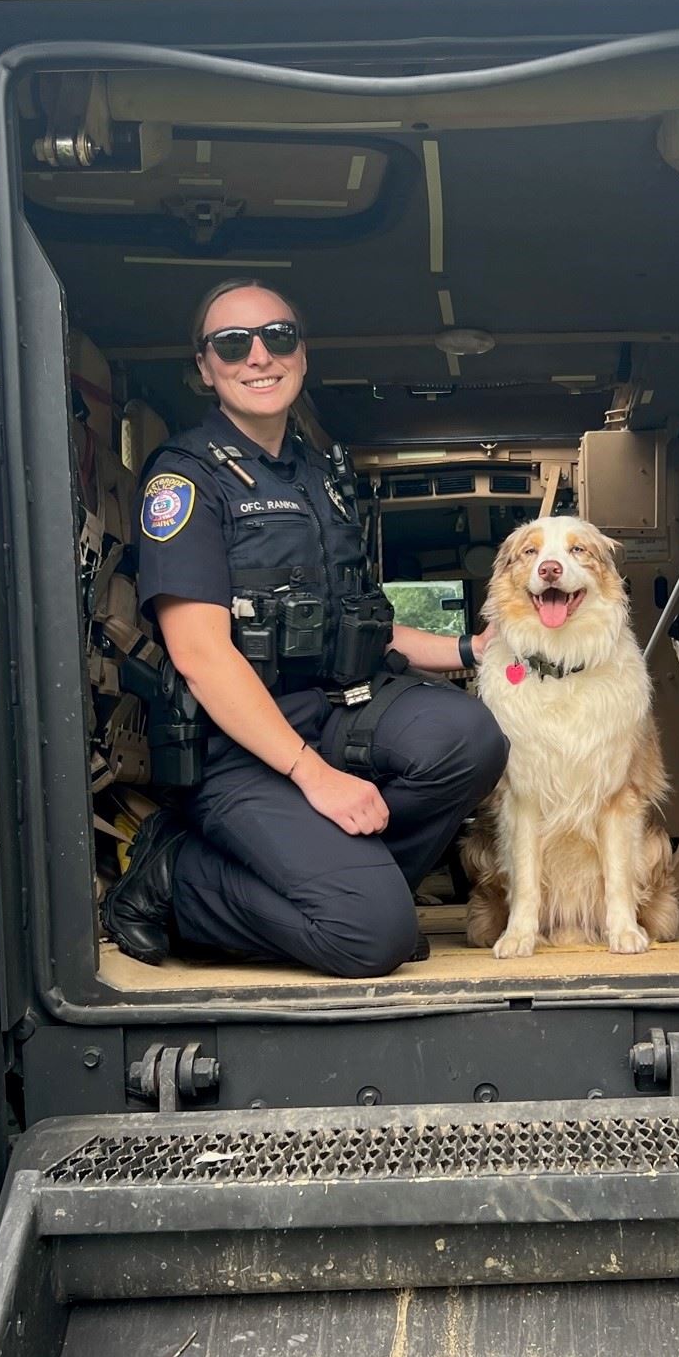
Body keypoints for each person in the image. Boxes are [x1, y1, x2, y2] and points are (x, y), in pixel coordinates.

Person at [102, 280, 508, 978]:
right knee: (372, 938)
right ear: (206, 367)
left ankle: (358, 888)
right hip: (238, 750)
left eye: (278, 337)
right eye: (234, 344)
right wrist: (312, 774)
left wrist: (471, 648)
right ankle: (177, 878)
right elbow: (199, 654)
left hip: (336, 715)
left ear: (302, 353)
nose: (259, 356)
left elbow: (363, 624)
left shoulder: (322, 476)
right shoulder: (188, 479)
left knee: (470, 740)